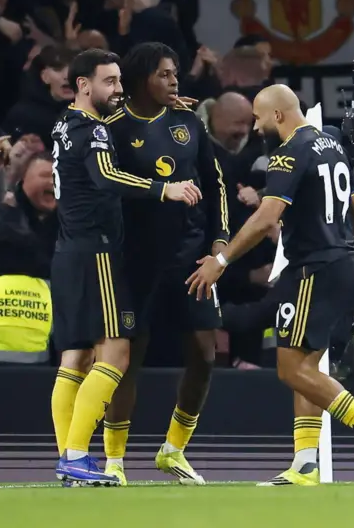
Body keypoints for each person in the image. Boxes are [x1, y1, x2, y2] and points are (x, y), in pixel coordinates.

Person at [186, 85, 354, 487]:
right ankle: (305, 464)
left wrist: (221, 260)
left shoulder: (287, 153)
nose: (257, 125)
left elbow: (267, 218)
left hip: (314, 268)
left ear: (279, 116)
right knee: (307, 364)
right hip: (346, 262)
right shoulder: (333, 144)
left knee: (290, 368)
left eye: (260, 118)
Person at [48, 49, 201, 486]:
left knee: (75, 358)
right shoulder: (93, 130)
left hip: (67, 250)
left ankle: (68, 460)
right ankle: (76, 455)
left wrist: (157, 110)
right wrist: (164, 189)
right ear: (83, 85)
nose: (117, 89)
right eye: (109, 82)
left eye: (120, 81)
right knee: (116, 353)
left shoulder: (64, 122)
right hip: (96, 251)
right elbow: (106, 177)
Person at [98, 42, 230, 485]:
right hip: (135, 259)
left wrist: (219, 244)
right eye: (165, 74)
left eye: (176, 74)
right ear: (141, 80)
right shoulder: (111, 128)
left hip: (191, 256)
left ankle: (173, 450)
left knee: (205, 355)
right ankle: (114, 460)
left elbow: (215, 185)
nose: (175, 82)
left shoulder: (190, 121)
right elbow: (104, 187)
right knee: (127, 360)